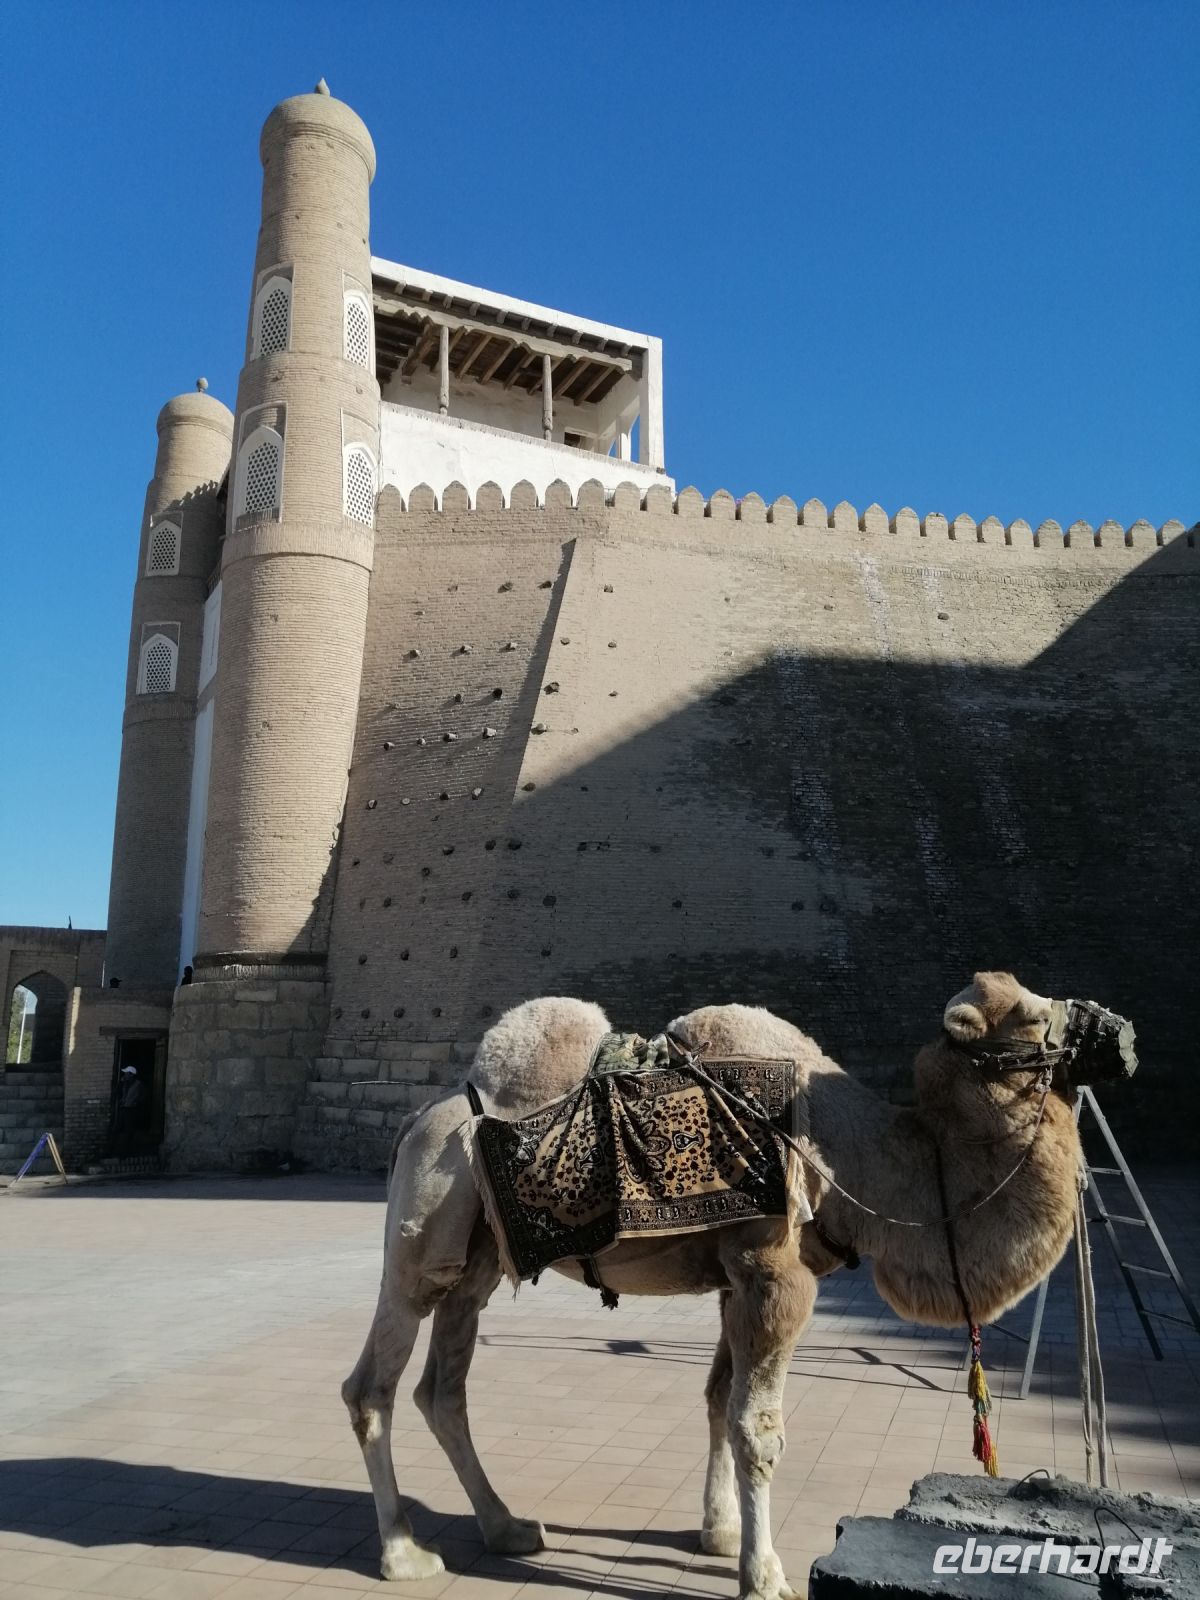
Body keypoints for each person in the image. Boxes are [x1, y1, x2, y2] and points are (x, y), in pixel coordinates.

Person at [115, 1064, 145, 1152]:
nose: (125, 1075)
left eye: (127, 1073)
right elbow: (117, 1093)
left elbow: (144, 1096)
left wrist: (136, 1102)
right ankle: (116, 1150)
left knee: (129, 1131)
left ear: (131, 1074)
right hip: (124, 1108)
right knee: (117, 1128)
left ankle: (126, 1151)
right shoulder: (125, 1084)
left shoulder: (139, 1085)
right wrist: (121, 1083)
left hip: (131, 1110)